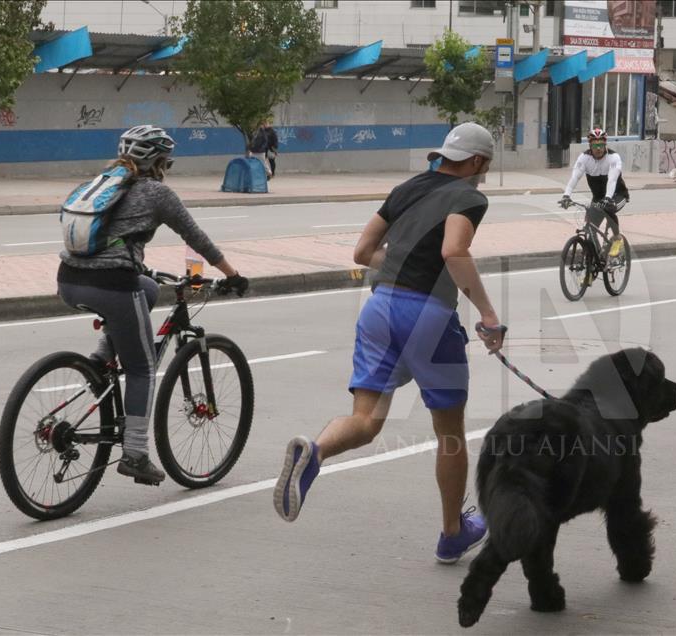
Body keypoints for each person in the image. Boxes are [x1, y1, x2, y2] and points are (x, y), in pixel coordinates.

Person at [273, 122, 505, 564]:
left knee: (365, 420)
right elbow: (454, 252)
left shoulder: (407, 188)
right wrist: (489, 317)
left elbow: (363, 253)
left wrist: (402, 260)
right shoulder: (469, 196)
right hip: (429, 318)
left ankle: (315, 451)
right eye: (485, 166)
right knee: (450, 434)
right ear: (476, 162)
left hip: (379, 307)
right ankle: (453, 533)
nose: (484, 174)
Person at [57, 125, 248, 485]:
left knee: (146, 288)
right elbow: (196, 237)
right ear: (158, 161)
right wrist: (232, 274)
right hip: (111, 284)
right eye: (166, 161)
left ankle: (101, 357)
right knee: (143, 368)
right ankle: (136, 454)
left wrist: (131, 260)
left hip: (67, 279)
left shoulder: (102, 183)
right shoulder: (157, 193)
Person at [558, 127, 629, 253]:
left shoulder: (613, 157)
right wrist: (566, 196)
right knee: (589, 228)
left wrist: (608, 198)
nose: (598, 148)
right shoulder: (584, 158)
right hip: (598, 198)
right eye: (595, 145)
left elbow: (612, 180)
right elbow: (574, 178)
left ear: (605, 144)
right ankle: (594, 262)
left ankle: (617, 239)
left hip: (618, 195)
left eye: (601, 144)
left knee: (608, 208)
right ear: (590, 145)